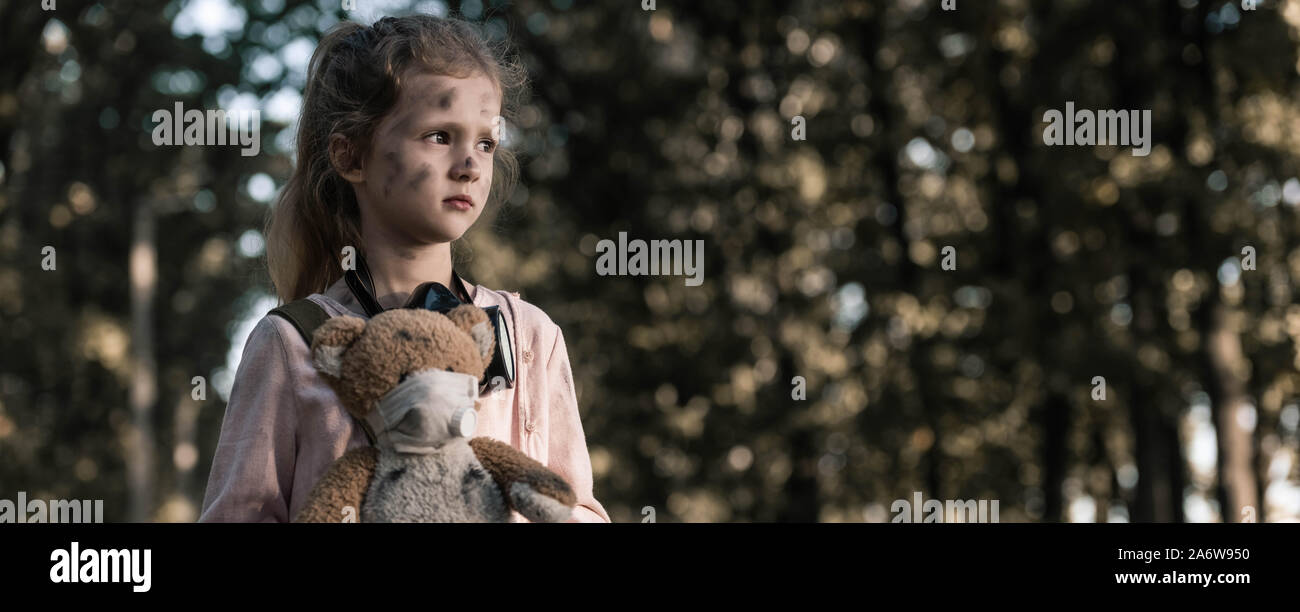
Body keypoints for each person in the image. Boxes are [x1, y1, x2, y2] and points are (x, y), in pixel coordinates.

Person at [198, 14, 609, 523]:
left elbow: (577, 508)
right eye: (439, 136)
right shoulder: (293, 343)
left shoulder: (528, 337)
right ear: (351, 157)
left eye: (485, 142)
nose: (471, 165)